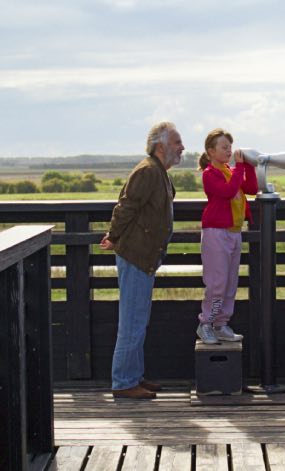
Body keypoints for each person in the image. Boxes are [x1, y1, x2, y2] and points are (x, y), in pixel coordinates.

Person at [99, 121, 184, 399]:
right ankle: (124, 382)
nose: (181, 147)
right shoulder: (148, 171)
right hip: (136, 255)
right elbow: (126, 206)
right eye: (176, 142)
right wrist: (113, 235)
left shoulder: (157, 171)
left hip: (143, 256)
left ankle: (132, 376)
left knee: (138, 319)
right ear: (161, 146)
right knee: (132, 321)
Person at [196, 128, 258, 344]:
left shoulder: (232, 171)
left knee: (230, 282)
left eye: (230, 147)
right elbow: (229, 191)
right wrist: (240, 167)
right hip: (216, 233)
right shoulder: (210, 174)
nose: (229, 151)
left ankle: (221, 324)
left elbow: (251, 187)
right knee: (217, 283)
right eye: (224, 147)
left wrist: (248, 165)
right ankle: (206, 324)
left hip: (233, 232)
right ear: (211, 151)